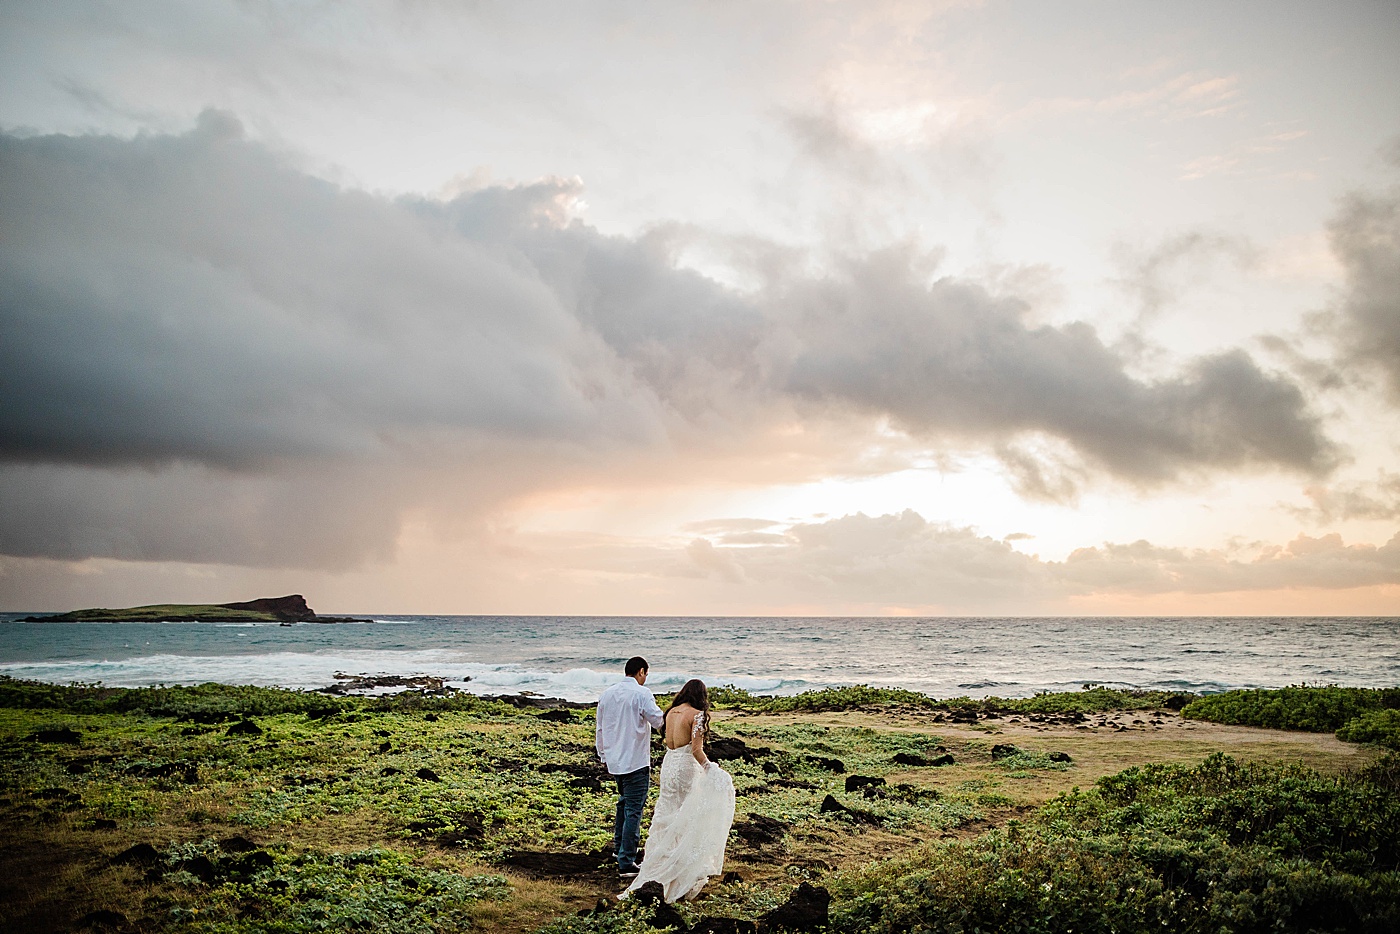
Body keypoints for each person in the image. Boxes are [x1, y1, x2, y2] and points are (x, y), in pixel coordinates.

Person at [622, 678, 736, 903]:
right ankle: (676, 874)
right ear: (701, 697)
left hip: (669, 764)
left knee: (666, 814)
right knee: (685, 816)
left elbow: (668, 741)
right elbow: (696, 749)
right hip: (685, 767)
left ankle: (659, 865)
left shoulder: (672, 712)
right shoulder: (697, 715)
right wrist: (710, 769)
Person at [595, 655, 666, 879]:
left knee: (624, 804)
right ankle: (626, 861)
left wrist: (603, 755)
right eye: (646, 674)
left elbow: (600, 728)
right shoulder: (641, 693)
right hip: (635, 760)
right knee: (633, 809)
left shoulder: (607, 694)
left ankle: (619, 850)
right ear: (641, 672)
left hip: (615, 760)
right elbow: (658, 721)